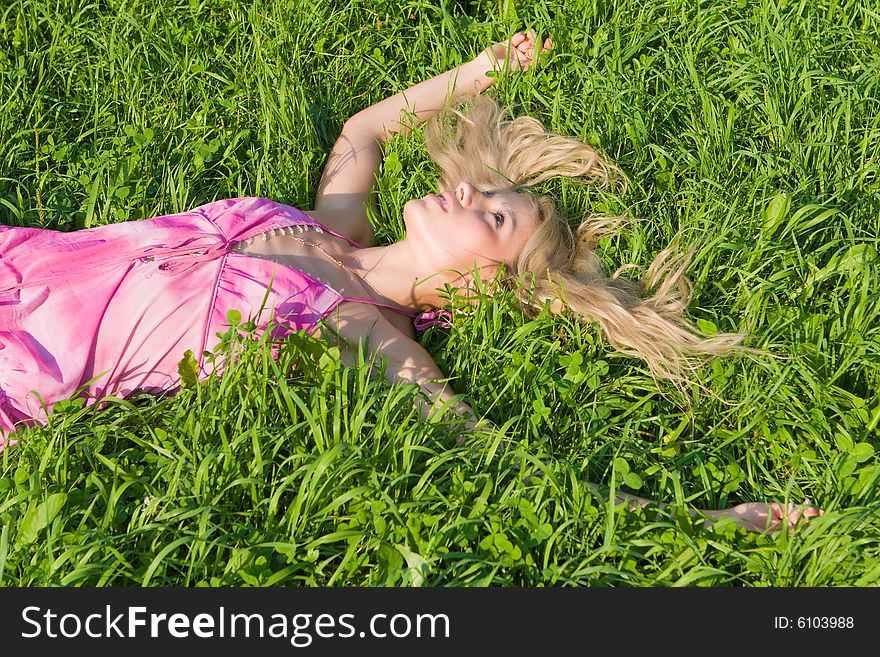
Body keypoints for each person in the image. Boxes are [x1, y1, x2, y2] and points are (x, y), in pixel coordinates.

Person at [0, 33, 822, 533]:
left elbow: (501, 458)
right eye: (493, 191)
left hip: (24, 361)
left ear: (478, 292)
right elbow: (363, 127)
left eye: (497, 217)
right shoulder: (333, 224)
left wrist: (712, 519)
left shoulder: (366, 333)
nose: (474, 191)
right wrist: (478, 70)